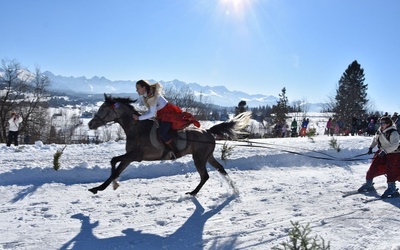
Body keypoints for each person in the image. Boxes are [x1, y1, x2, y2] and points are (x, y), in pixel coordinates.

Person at [133, 80, 200, 159]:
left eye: (138, 88)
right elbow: (150, 110)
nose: (136, 90)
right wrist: (142, 117)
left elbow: (151, 114)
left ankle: (176, 151)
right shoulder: (147, 94)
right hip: (162, 113)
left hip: (168, 114)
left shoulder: (151, 95)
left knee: (162, 133)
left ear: (144, 87)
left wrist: (139, 118)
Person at [358, 116, 400, 198]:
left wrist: (385, 151)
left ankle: (392, 188)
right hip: (382, 152)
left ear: (388, 124)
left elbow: (395, 145)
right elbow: (375, 139)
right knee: (373, 166)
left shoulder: (393, 132)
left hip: (394, 154)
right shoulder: (379, 131)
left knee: (391, 170)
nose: (380, 125)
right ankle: (369, 184)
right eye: (380, 123)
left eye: (382, 123)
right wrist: (371, 147)